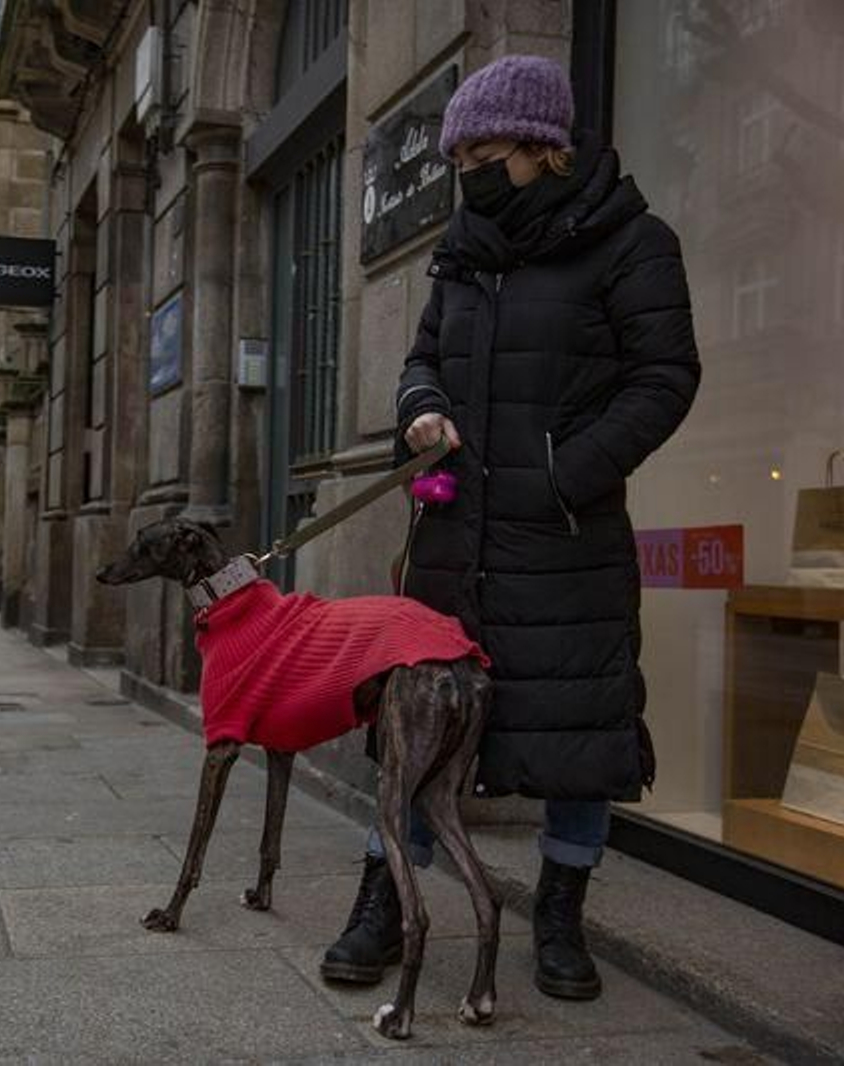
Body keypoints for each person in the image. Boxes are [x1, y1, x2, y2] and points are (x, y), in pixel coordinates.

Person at [320, 55, 700, 1002]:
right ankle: (385, 895)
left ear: (543, 146)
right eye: (459, 157)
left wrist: (564, 474)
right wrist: (419, 411)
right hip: (455, 543)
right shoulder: (465, 246)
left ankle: (563, 909)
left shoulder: (633, 243)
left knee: (578, 724)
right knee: (413, 727)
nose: (469, 172)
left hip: (564, 537)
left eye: (484, 151)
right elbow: (421, 358)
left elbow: (666, 378)